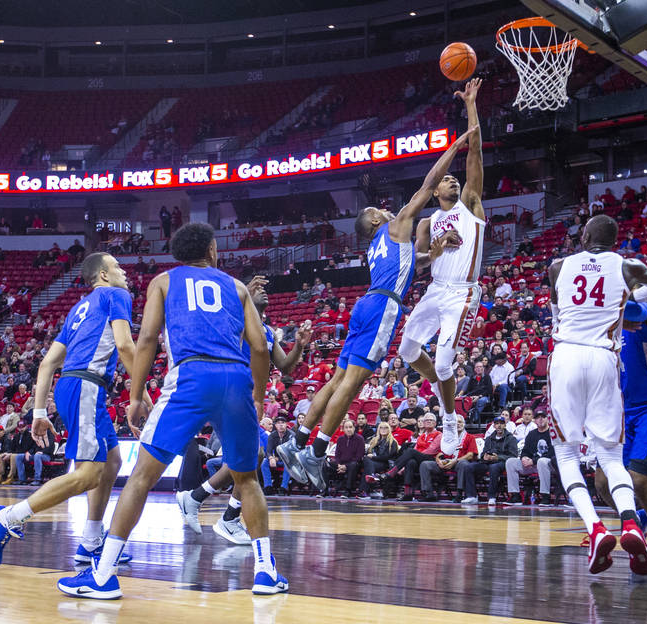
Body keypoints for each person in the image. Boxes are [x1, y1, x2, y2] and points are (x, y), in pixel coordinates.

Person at [58, 222, 286, 599]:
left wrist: (134, 396)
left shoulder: (163, 282)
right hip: (235, 378)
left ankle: (102, 576)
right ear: (212, 250)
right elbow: (260, 348)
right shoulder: (238, 287)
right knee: (246, 479)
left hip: (191, 377)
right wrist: (258, 396)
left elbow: (146, 339)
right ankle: (264, 572)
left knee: (142, 478)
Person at [277, 125, 477, 492]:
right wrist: (455, 146)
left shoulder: (376, 247)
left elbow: (408, 265)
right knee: (352, 385)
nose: (383, 209)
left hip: (366, 303)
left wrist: (433, 253)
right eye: (376, 209)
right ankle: (317, 452)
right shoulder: (398, 223)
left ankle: (297, 440)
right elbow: (428, 184)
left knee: (338, 379)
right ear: (372, 221)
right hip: (383, 306)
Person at [0, 253, 150, 568]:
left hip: (76, 387)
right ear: (103, 274)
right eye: (116, 266)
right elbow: (127, 346)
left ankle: (90, 543)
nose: (124, 271)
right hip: (86, 386)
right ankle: (7, 517)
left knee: (111, 461)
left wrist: (37, 413)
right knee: (88, 474)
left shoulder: (78, 308)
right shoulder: (116, 294)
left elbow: (47, 364)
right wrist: (138, 394)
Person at [547, 213, 647, 575]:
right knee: (610, 466)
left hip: (572, 356)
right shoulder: (626, 267)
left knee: (567, 454)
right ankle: (632, 524)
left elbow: (559, 316)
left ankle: (598, 529)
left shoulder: (558, 267)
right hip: (604, 361)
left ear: (584, 235)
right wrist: (624, 297)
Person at [176, 275, 312, 542]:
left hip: (249, 399)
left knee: (253, 457)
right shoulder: (232, 320)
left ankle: (203, 502)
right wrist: (239, 298)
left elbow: (285, 366)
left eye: (264, 289)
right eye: (256, 288)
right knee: (253, 455)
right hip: (230, 392)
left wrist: (299, 345)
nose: (263, 291)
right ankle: (212, 509)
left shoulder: (268, 332)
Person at [398, 78, 487, 456]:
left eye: (454, 178)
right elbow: (414, 265)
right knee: (406, 350)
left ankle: (449, 418)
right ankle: (441, 384)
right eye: (446, 180)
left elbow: (475, 154)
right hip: (435, 290)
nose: (452, 180)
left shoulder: (470, 204)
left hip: (463, 292)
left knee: (448, 364)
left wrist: (470, 106)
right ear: (436, 192)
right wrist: (431, 253)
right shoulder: (426, 223)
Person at [593, 301, 647, 563]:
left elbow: (635, 311)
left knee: (639, 481)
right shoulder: (604, 327)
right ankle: (639, 516)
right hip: (620, 409)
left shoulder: (642, 315)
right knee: (603, 484)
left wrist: (620, 288)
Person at [456, 414, 517, 505]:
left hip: (502, 463)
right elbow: (483, 452)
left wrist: (498, 457)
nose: (499, 425)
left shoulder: (511, 438)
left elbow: (513, 455)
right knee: (469, 467)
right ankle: (472, 496)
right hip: (488, 462)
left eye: (501, 423)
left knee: (494, 467)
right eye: (496, 423)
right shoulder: (489, 438)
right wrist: (485, 456)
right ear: (494, 426)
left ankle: (492, 497)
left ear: (505, 425)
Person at [504, 413, 555, 505]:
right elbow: (525, 450)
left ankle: (545, 496)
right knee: (511, 462)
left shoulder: (552, 433)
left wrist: (533, 461)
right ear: (535, 420)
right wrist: (524, 458)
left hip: (549, 465)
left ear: (547, 419)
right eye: (538, 418)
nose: (540, 420)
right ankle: (515, 495)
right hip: (532, 464)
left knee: (542, 461)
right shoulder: (532, 434)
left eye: (543, 417)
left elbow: (552, 453)